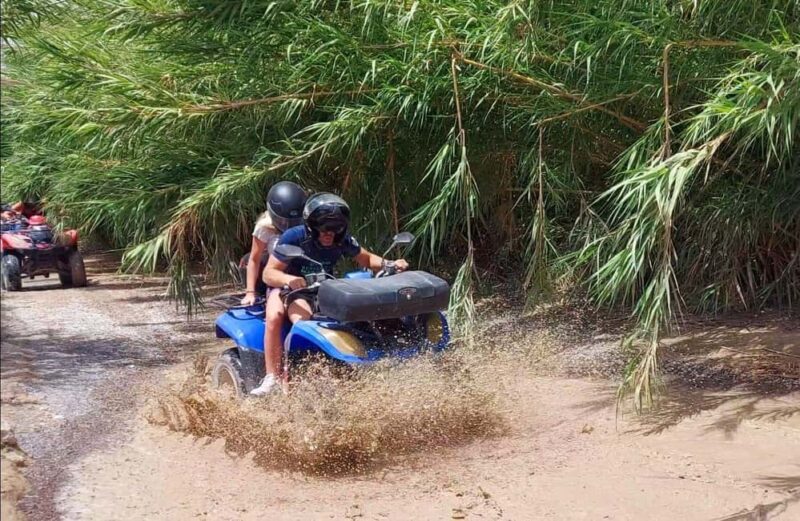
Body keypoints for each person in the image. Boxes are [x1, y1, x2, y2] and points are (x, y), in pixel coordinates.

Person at [250, 192, 409, 396]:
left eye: (335, 230)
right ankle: (274, 377)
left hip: (322, 288)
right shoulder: (294, 237)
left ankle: (368, 361)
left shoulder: (341, 240)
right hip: (288, 288)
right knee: (289, 319)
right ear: (311, 227)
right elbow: (269, 273)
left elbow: (367, 259)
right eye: (324, 230)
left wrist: (390, 264)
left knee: (357, 314)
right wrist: (289, 280)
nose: (329, 235)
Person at [239, 181, 307, 306]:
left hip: (304, 271)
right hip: (277, 274)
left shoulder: (308, 223)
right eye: (283, 221)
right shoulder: (264, 227)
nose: (288, 226)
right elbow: (254, 259)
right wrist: (250, 292)